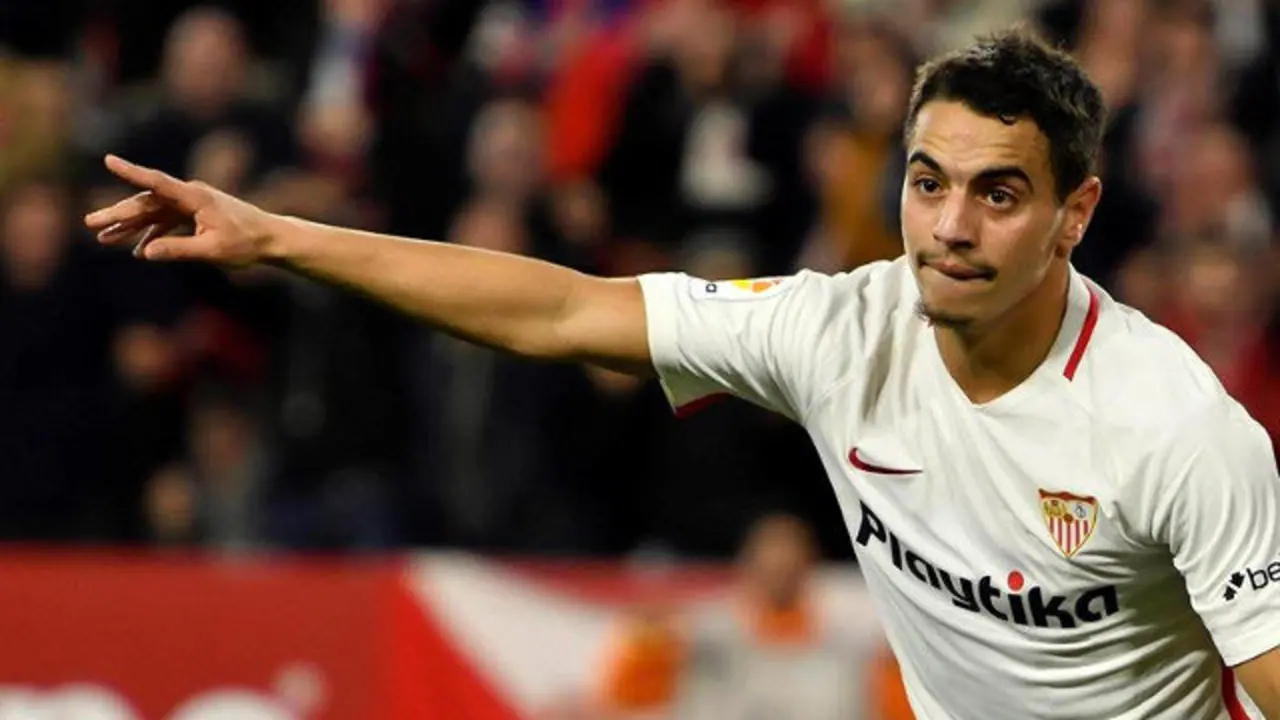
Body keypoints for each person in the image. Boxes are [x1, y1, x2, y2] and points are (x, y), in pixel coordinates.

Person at [85, 29, 1280, 719]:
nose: (950, 225)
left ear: (1076, 213)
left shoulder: (1170, 426)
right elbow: (557, 308)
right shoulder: (833, 333)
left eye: (998, 193)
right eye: (927, 181)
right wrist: (278, 235)